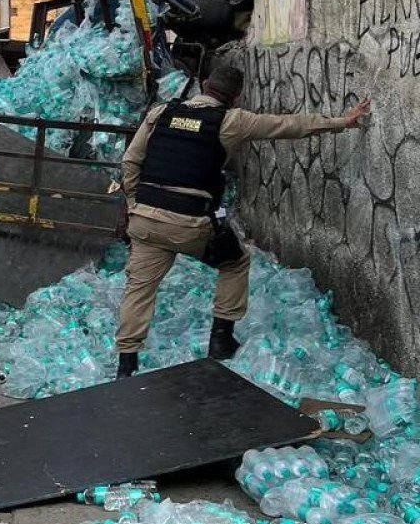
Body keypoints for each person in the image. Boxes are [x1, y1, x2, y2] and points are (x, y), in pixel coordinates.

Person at [115, 62, 371, 376]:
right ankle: (221, 338)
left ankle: (125, 366)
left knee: (139, 290)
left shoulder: (160, 113)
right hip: (188, 224)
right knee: (235, 261)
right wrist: (343, 121)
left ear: (205, 84)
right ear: (236, 96)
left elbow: (130, 162)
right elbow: (288, 125)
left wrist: (134, 204)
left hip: (145, 220)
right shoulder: (232, 121)